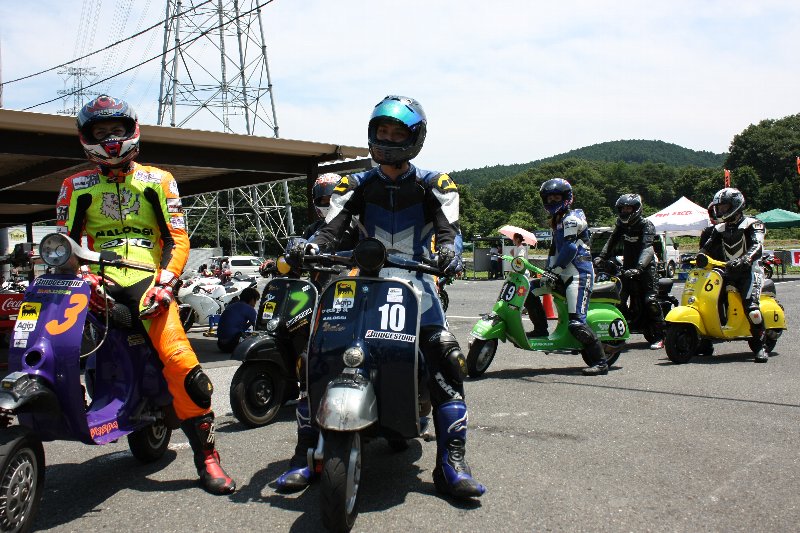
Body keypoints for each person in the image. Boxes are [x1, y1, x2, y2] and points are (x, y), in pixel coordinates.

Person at [281, 95, 485, 499]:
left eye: (397, 133)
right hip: (364, 285)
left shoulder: (435, 183)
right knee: (318, 354)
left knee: (445, 357)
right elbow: (330, 230)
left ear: (415, 138)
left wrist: (450, 253)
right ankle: (305, 453)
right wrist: (307, 246)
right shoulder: (355, 183)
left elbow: (450, 231)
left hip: (419, 286)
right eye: (382, 131)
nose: (388, 139)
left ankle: (452, 463)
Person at [56, 95, 235, 494]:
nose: (110, 138)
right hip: (95, 282)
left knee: (181, 363)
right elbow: (66, 242)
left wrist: (166, 283)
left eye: (116, 130)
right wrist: (82, 276)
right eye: (101, 132)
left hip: (148, 282)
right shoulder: (73, 186)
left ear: (131, 131)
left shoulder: (159, 179)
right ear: (87, 137)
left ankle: (208, 457)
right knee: (54, 342)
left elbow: (177, 238)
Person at [531, 178, 607, 375]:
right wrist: (548, 270)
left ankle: (601, 362)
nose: (552, 201)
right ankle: (541, 329)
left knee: (576, 323)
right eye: (549, 198)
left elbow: (570, 249)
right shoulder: (557, 220)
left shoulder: (571, 219)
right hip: (561, 273)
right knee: (529, 291)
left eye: (556, 197)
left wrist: (554, 270)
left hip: (578, 274)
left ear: (566, 197)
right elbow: (554, 249)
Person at [698, 188, 768, 362]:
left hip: (750, 271)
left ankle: (760, 346)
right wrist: (697, 257)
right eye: (719, 208)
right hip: (728, 271)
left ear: (736, 205)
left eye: (724, 207)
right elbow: (707, 246)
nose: (720, 210)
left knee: (751, 308)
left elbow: (757, 246)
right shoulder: (719, 228)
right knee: (708, 300)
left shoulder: (753, 224)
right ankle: (706, 341)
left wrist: (746, 259)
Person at [594, 194, 666, 350]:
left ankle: (660, 336)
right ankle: (622, 329)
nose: (625, 211)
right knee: (618, 299)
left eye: (628, 208)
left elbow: (648, 248)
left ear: (636, 209)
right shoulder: (621, 224)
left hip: (646, 269)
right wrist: (601, 257)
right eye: (623, 208)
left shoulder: (646, 225)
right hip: (627, 268)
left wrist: (639, 268)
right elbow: (612, 240)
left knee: (650, 300)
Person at [216, 287, 259, 353]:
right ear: (252, 299)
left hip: (220, 345)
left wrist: (249, 324)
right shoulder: (250, 309)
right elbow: (258, 327)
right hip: (232, 344)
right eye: (255, 300)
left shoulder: (231, 306)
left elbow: (237, 327)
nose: (255, 303)